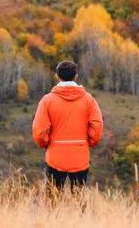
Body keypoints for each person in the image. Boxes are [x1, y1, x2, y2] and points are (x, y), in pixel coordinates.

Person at [32, 60, 103, 191]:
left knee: (53, 199)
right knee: (78, 199)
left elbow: (39, 131)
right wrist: (90, 142)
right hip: (80, 156)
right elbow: (97, 127)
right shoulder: (89, 100)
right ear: (76, 77)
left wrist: (46, 144)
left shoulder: (47, 100)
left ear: (57, 76)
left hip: (55, 157)